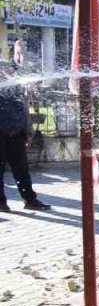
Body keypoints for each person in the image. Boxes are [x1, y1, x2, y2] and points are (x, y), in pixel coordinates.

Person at [0, 66, 52, 211]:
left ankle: (30, 200)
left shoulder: (13, 84)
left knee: (22, 169)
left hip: (16, 133)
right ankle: (1, 203)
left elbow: (24, 109)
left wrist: (28, 133)